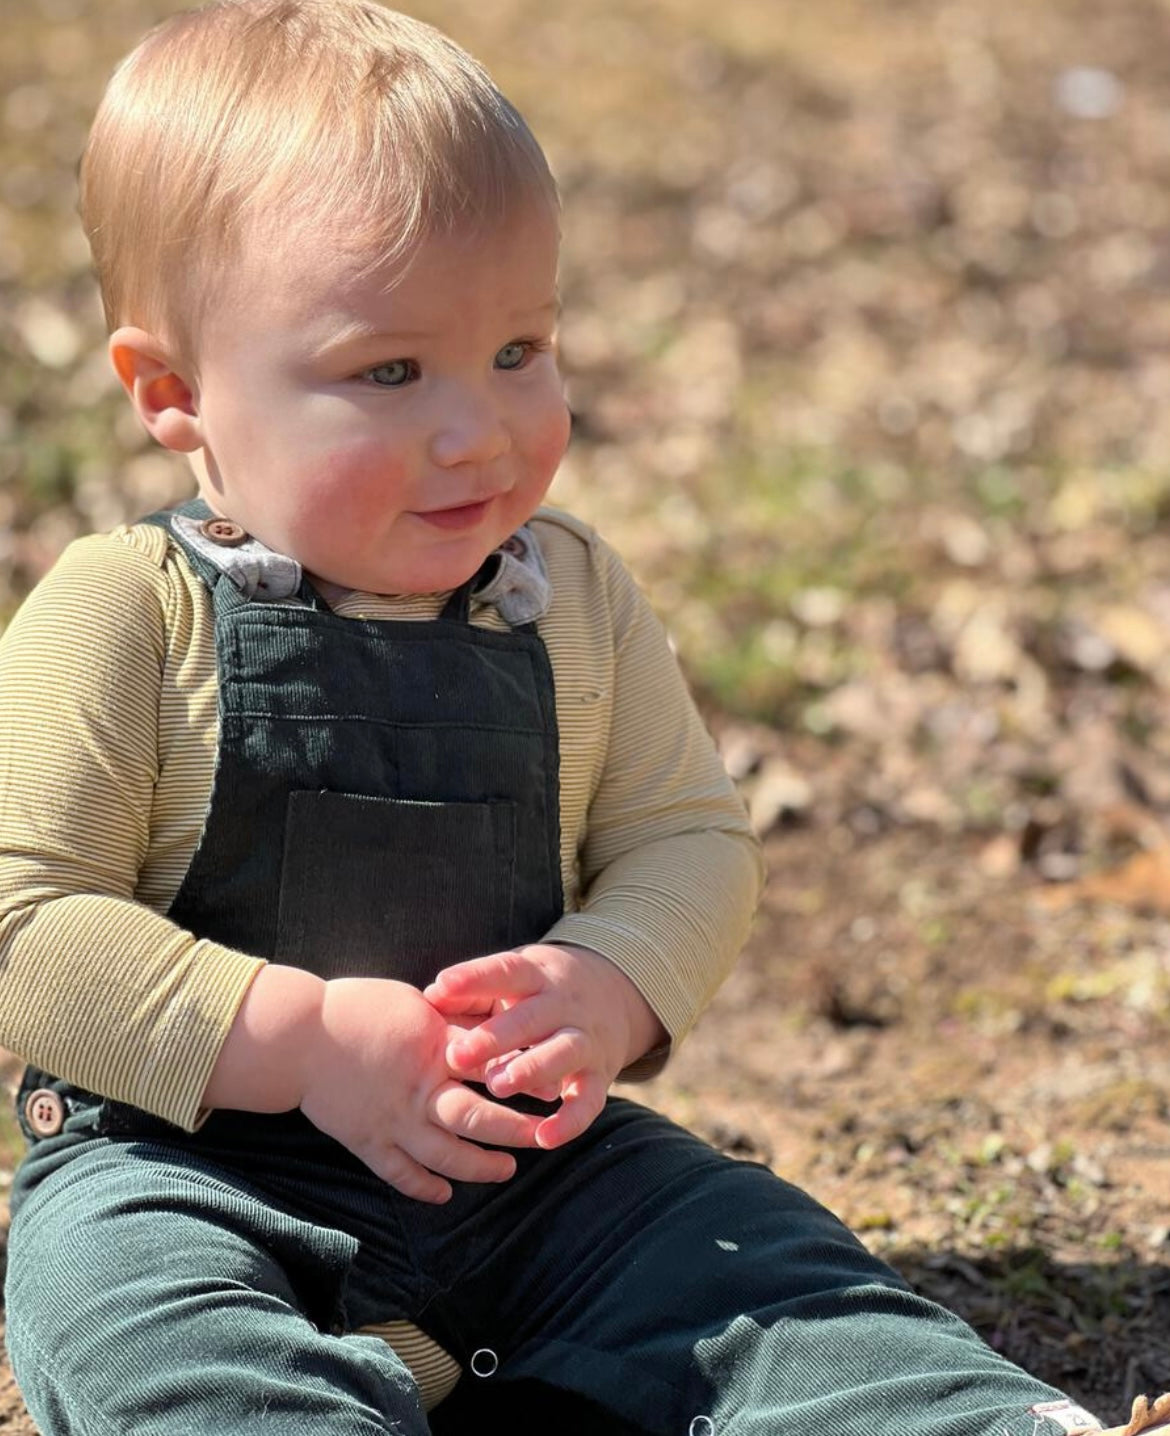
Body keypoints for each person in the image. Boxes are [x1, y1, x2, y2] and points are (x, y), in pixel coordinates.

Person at [0, 2, 1165, 1432]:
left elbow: (687, 839)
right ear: (175, 394)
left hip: (529, 1167)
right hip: (192, 1169)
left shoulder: (566, 605)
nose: (479, 429)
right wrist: (298, 1037)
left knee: (763, 1268)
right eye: (388, 372)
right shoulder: (127, 615)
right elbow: (29, 919)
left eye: (519, 348)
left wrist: (609, 982)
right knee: (135, 1319)